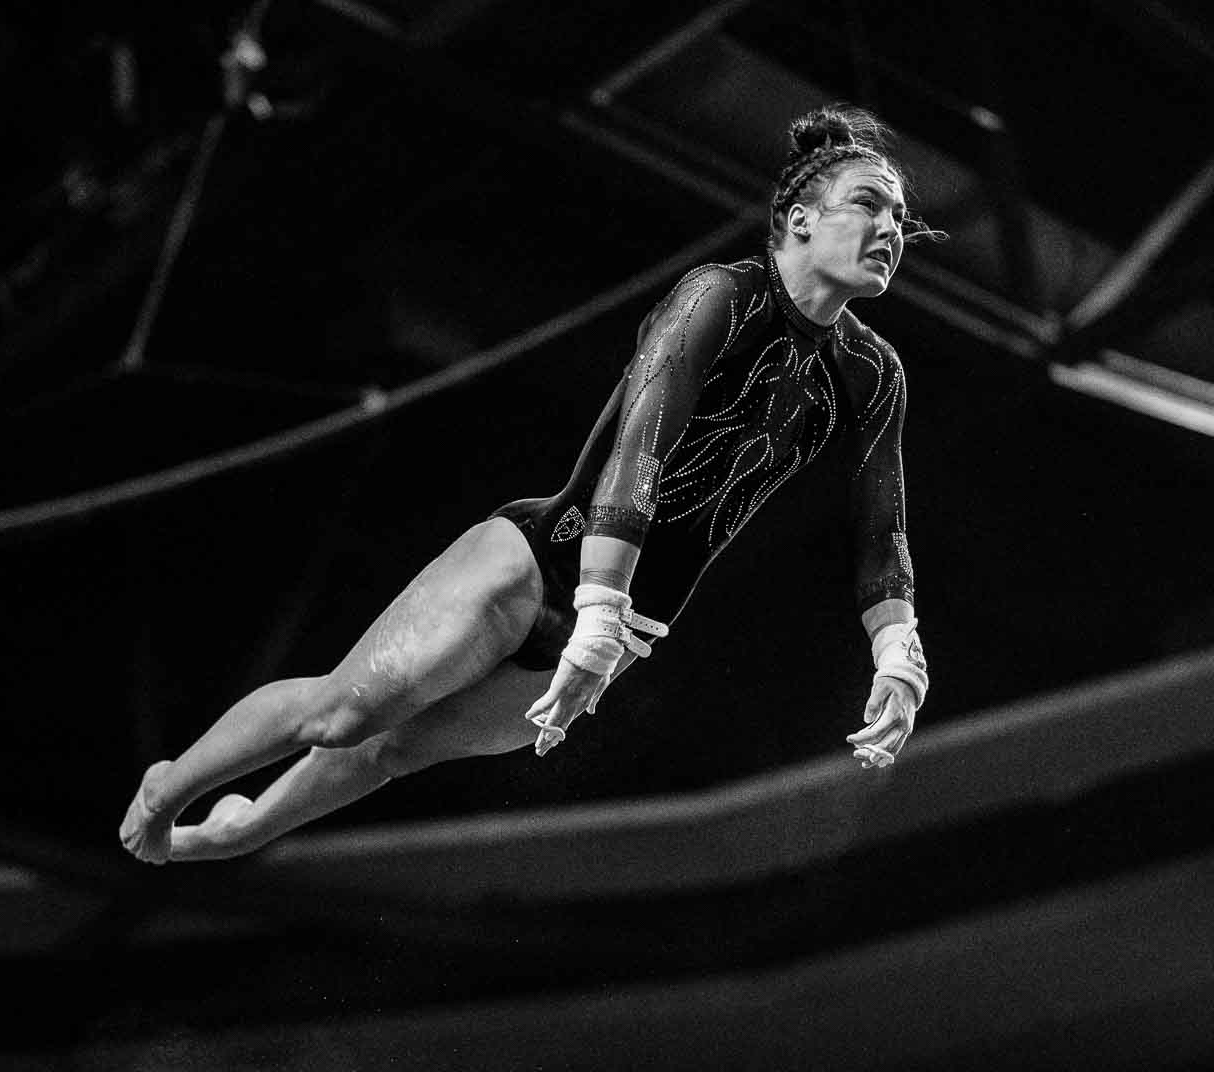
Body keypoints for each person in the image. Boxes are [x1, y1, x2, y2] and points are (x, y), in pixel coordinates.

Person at [120, 104, 936, 865]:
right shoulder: (719, 296)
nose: (891, 230)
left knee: (396, 753)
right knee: (347, 714)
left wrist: (897, 653)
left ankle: (241, 832)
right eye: (870, 206)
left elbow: (880, 531)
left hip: (630, 628)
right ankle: (172, 785)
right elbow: (635, 451)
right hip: (545, 560)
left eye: (901, 218)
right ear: (800, 218)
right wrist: (598, 607)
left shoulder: (872, 374)